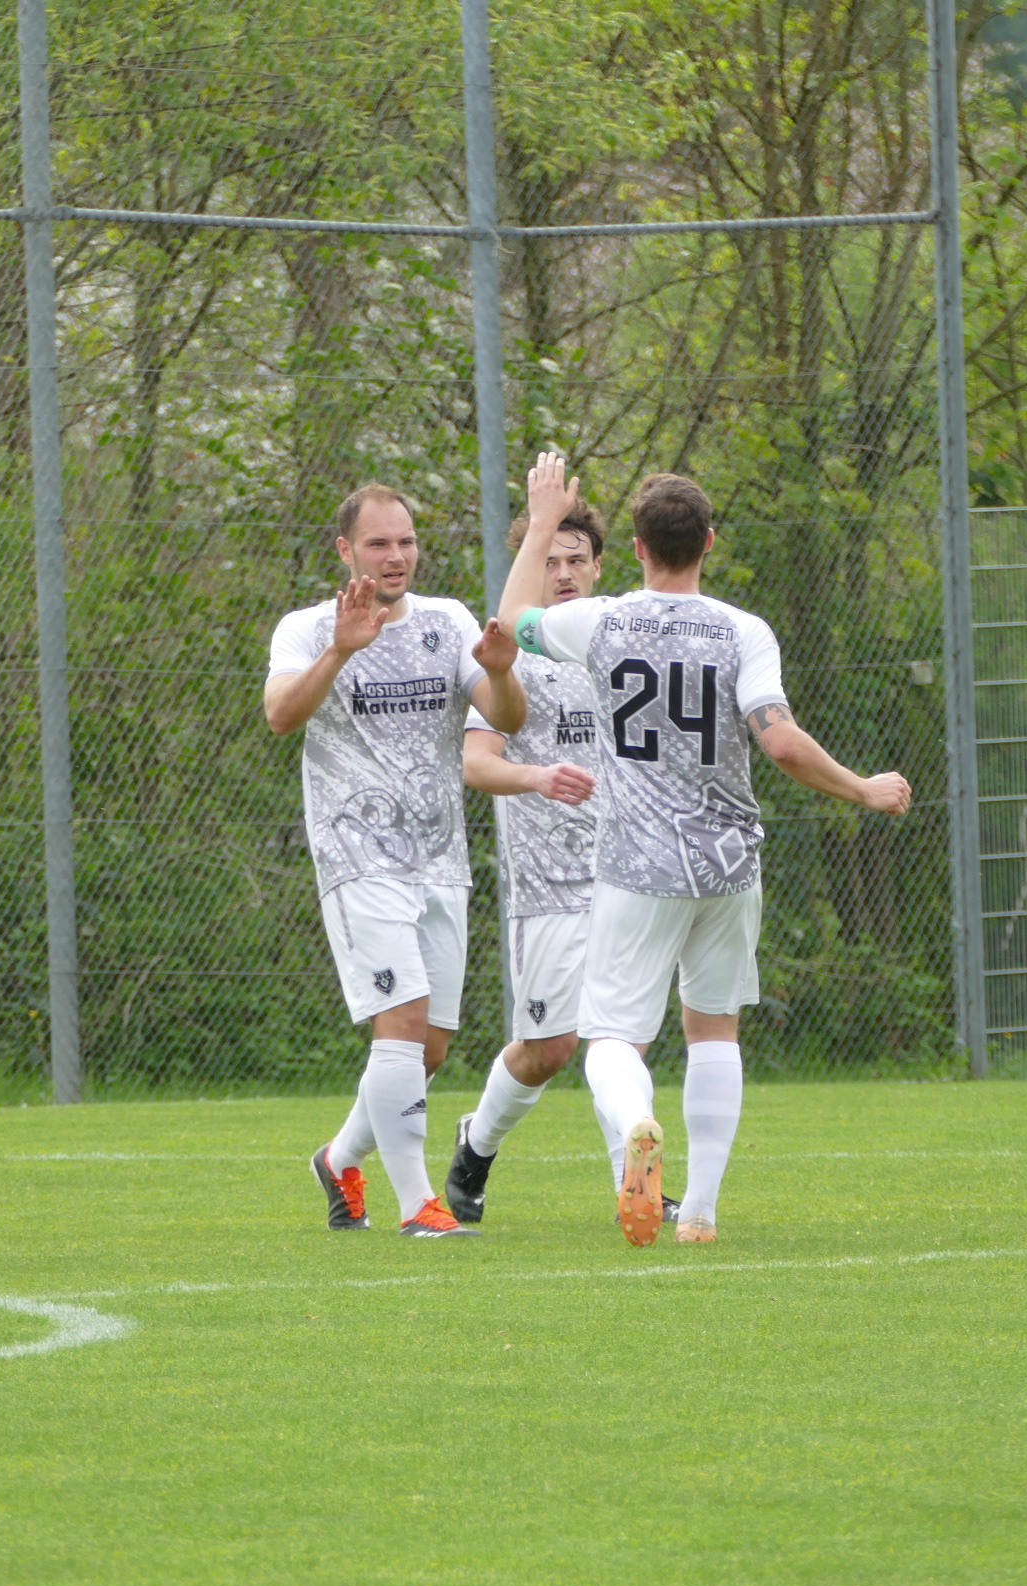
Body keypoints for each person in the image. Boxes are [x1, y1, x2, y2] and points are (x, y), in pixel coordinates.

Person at [496, 454, 911, 1246]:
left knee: (611, 1038)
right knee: (714, 1030)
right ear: (709, 543)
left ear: (638, 549)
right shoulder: (742, 630)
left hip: (636, 867)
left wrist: (544, 521)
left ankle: (637, 1124)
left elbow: (511, 617)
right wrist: (861, 788)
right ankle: (702, 1214)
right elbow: (780, 742)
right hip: (728, 864)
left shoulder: (601, 621)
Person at [265, 484, 527, 1237]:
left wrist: (501, 672)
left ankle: (339, 1158)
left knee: (430, 1046)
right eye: (379, 543)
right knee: (403, 1021)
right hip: (358, 856)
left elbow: (508, 718)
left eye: (406, 541)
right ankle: (419, 1205)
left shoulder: (447, 622)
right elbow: (281, 715)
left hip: (440, 858)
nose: (396, 556)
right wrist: (341, 650)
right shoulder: (308, 628)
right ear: (345, 550)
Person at [442, 499, 668, 1230]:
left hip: (631, 873)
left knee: (618, 1038)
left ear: (601, 566)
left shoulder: (625, 643)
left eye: (577, 560)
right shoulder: (510, 656)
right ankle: (477, 1142)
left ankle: (633, 1185)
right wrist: (538, 777)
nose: (564, 573)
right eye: (549, 561)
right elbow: (477, 763)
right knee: (550, 1049)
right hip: (548, 882)